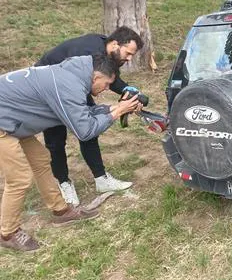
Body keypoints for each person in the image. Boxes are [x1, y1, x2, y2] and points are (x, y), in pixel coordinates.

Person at [0, 55, 141, 252]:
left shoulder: (72, 77)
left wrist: (114, 108)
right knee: (19, 179)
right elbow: (85, 131)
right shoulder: (69, 86)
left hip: (14, 119)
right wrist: (115, 114)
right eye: (107, 84)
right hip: (4, 123)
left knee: (41, 160)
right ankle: (8, 233)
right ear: (96, 77)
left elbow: (81, 112)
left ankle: (61, 210)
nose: (107, 89)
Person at [36, 27, 145, 205]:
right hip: (47, 90)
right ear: (116, 44)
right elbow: (77, 82)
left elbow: (111, 79)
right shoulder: (85, 52)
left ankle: (101, 179)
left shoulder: (107, 53)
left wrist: (129, 91)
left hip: (73, 87)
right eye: (128, 53)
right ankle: (63, 182)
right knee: (56, 139)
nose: (130, 58)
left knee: (89, 130)